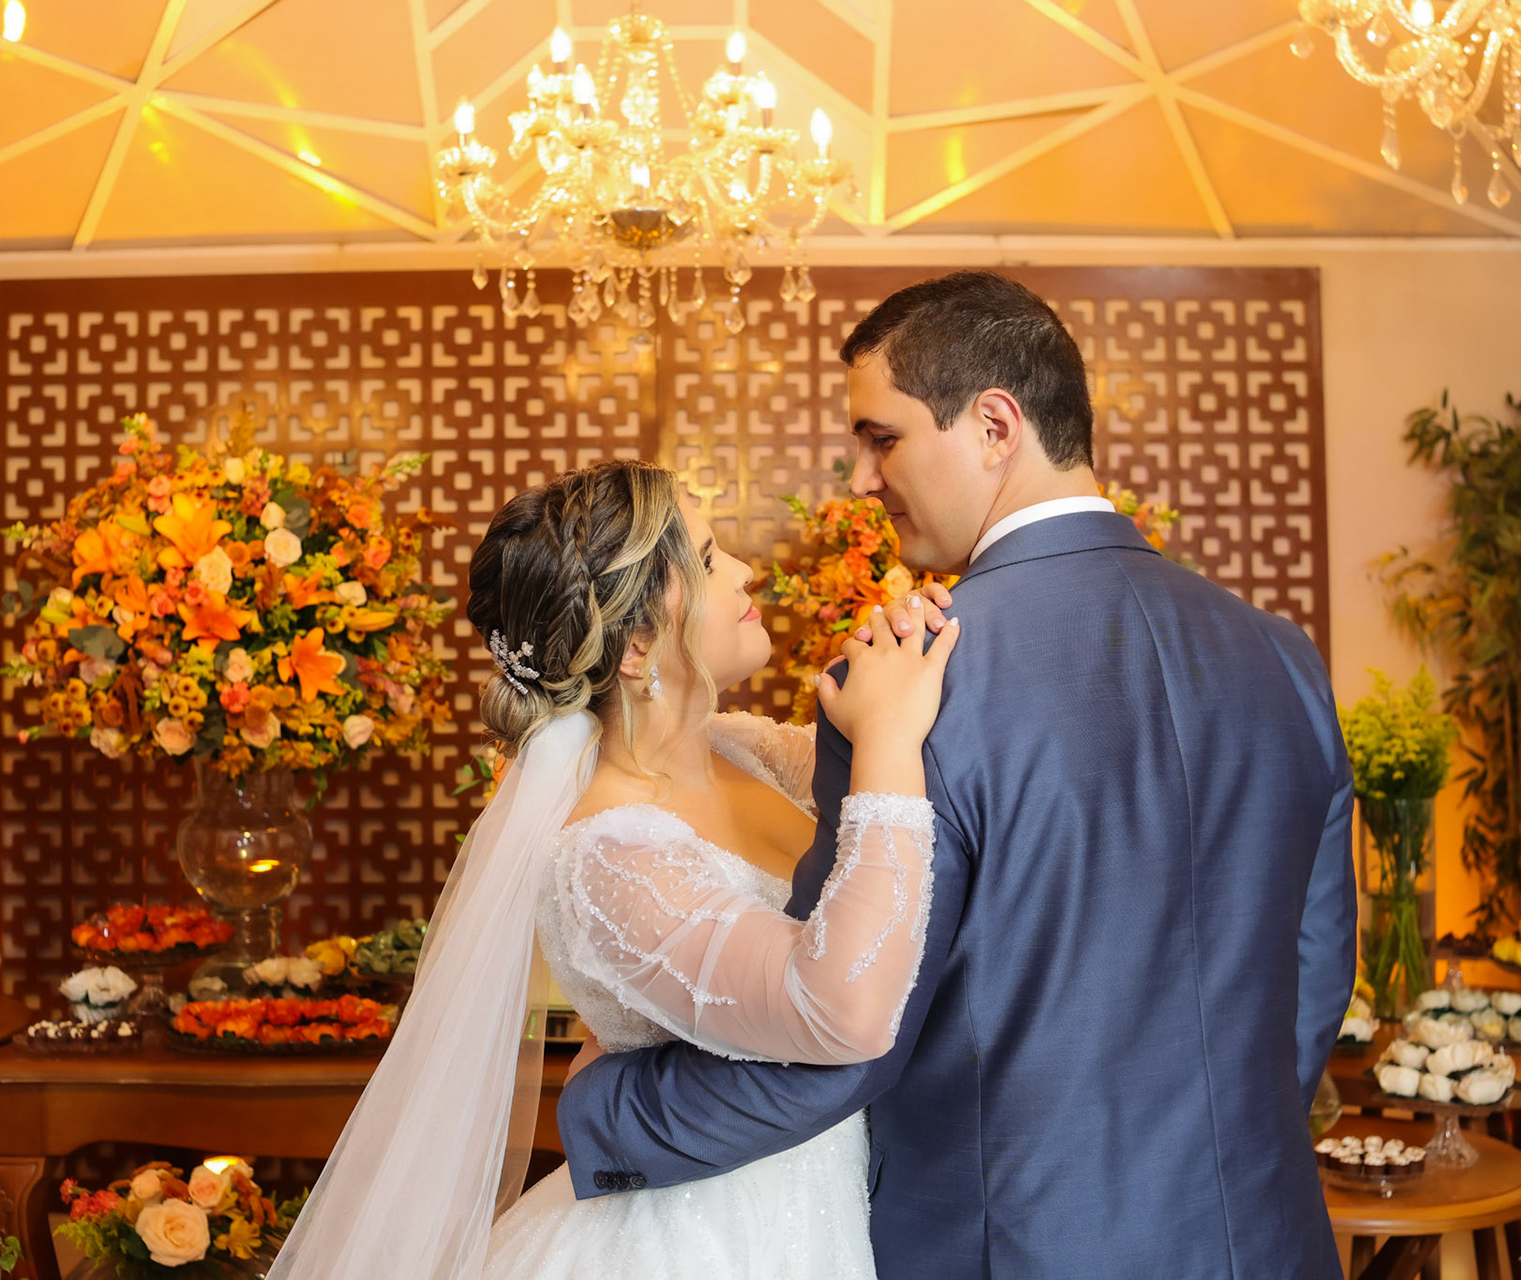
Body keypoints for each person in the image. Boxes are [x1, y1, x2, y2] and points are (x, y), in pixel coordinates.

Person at [556, 271, 1358, 1278]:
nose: (861, 478)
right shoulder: (1284, 657)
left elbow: (846, 1037)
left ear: (993, 426)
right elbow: (1314, 978)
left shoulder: (907, 685)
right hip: (1266, 1234)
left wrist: (606, 1110)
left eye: (881, 438)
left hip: (1016, 1248)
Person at [266, 458, 957, 1280]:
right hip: (706, 1238)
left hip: (831, 1203)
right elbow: (843, 1010)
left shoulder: (745, 749)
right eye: (708, 560)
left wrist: (908, 651)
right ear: (635, 646)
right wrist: (887, 740)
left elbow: (922, 803)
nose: (747, 571)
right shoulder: (607, 855)